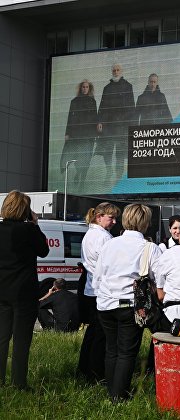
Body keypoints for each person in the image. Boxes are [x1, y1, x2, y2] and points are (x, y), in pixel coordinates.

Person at [94, 204, 162, 400]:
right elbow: (160, 279)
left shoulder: (109, 244)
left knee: (111, 349)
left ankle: (112, 391)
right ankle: (119, 395)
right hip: (131, 305)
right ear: (146, 223)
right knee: (126, 352)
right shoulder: (150, 248)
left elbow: (98, 276)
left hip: (106, 303)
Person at [0, 191, 49, 389]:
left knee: (1, 337)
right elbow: (44, 251)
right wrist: (35, 224)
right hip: (24, 292)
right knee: (21, 340)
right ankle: (19, 383)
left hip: (1, 290)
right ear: (25, 210)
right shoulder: (29, 230)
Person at [77, 202, 120, 382]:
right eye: (111, 218)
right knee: (101, 336)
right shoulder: (103, 237)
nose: (114, 222)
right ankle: (95, 373)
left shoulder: (91, 234)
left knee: (93, 333)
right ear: (99, 216)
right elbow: (111, 265)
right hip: (100, 290)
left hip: (91, 288)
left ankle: (84, 369)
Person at [96, 63, 135, 180]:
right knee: (107, 151)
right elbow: (102, 106)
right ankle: (109, 172)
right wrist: (99, 122)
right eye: (114, 70)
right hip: (108, 126)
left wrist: (130, 126)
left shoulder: (128, 86)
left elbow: (132, 107)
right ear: (111, 72)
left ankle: (118, 176)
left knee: (120, 152)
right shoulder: (106, 88)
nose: (116, 72)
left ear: (121, 71)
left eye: (118, 70)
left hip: (122, 126)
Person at [61, 79, 98, 191]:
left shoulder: (93, 102)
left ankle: (82, 180)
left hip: (88, 135)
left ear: (89, 89)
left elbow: (95, 118)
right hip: (77, 134)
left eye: (87, 87)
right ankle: (78, 173)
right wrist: (67, 133)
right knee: (77, 157)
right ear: (80, 88)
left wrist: (95, 134)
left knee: (87, 158)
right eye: (83, 87)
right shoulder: (74, 101)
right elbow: (70, 118)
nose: (85, 89)